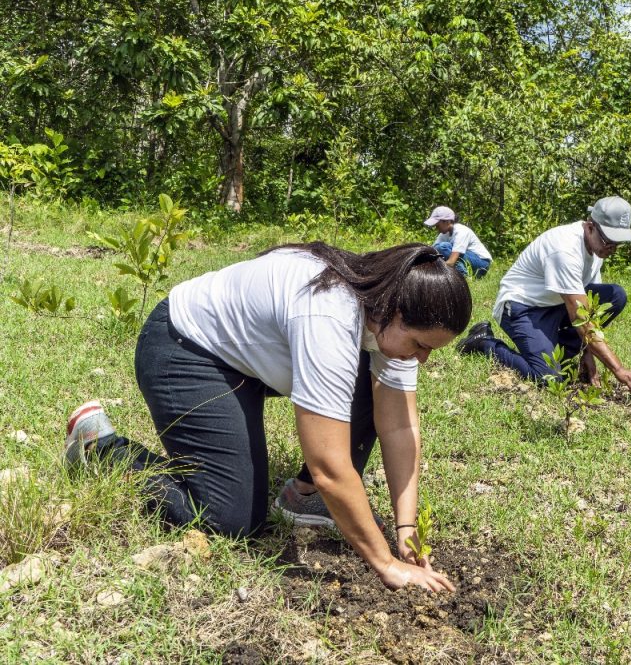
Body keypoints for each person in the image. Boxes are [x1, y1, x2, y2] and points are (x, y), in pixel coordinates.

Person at [63, 242, 472, 592]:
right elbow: (329, 465)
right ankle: (99, 446)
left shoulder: (389, 314)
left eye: (431, 349)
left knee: (371, 380)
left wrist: (406, 531)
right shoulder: (328, 312)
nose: (422, 358)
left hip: (254, 359)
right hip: (187, 349)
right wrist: (386, 564)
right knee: (230, 519)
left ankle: (304, 498)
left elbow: (399, 426)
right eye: (419, 344)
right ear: (392, 308)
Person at [457, 196, 631, 396]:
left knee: (615, 295)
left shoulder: (596, 247)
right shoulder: (565, 249)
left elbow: (591, 308)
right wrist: (617, 369)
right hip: (522, 308)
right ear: (590, 226)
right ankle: (484, 342)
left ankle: (559, 354)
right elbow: (582, 319)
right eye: (609, 240)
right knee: (549, 379)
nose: (612, 248)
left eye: (618, 243)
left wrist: (588, 354)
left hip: (555, 304)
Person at [423, 206, 492, 278]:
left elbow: (452, 261)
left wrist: (437, 271)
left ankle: (462, 275)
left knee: (442, 247)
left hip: (481, 263)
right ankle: (460, 272)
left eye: (437, 225)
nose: (436, 228)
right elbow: (433, 250)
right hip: (468, 260)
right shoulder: (444, 234)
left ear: (447, 221)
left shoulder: (461, 231)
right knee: (438, 248)